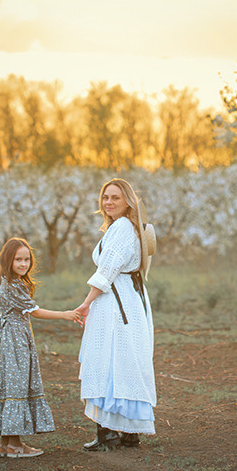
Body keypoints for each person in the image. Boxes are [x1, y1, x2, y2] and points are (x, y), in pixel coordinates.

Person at [0, 237, 79, 458]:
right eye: (18, 260)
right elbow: (36, 312)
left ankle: (5, 444)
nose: (23, 264)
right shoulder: (13, 285)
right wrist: (65, 314)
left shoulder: (7, 281)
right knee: (17, 386)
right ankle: (15, 445)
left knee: (10, 385)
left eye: (26, 259)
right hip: (14, 341)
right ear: (8, 260)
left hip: (10, 337)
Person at [75, 178, 157, 451]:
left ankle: (108, 433)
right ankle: (128, 431)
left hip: (115, 303)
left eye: (115, 198)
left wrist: (86, 303)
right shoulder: (125, 226)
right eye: (105, 197)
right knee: (126, 360)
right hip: (128, 299)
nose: (108, 202)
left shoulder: (122, 227)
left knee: (109, 359)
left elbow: (106, 272)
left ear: (128, 202)